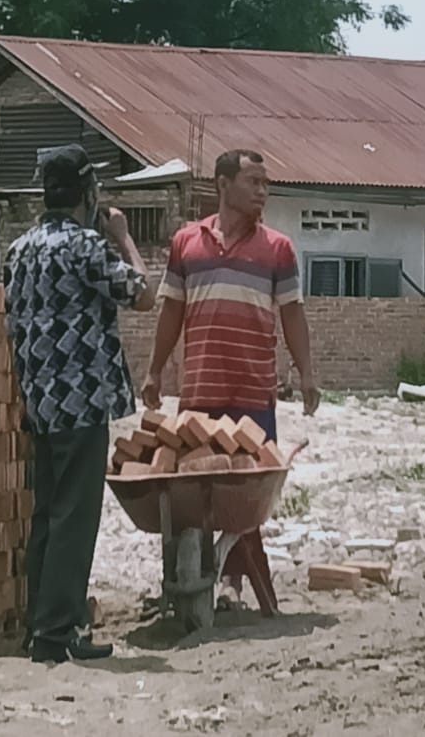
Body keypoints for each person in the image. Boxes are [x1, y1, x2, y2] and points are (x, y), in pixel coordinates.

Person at [142, 148, 318, 615]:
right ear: (223, 186)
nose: (263, 190)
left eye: (266, 182)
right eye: (253, 182)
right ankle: (193, 581)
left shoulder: (278, 248)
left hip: (252, 392)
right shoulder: (186, 243)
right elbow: (172, 311)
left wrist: (307, 373)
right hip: (199, 393)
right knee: (195, 500)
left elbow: (293, 314)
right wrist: (154, 370)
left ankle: (237, 588)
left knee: (243, 502)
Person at [4, 143, 156, 663]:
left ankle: (38, 625)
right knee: (75, 516)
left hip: (39, 401)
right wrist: (124, 236)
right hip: (82, 403)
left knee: (47, 514)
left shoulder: (19, 250)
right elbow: (141, 293)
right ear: (88, 195)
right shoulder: (86, 246)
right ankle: (57, 631)